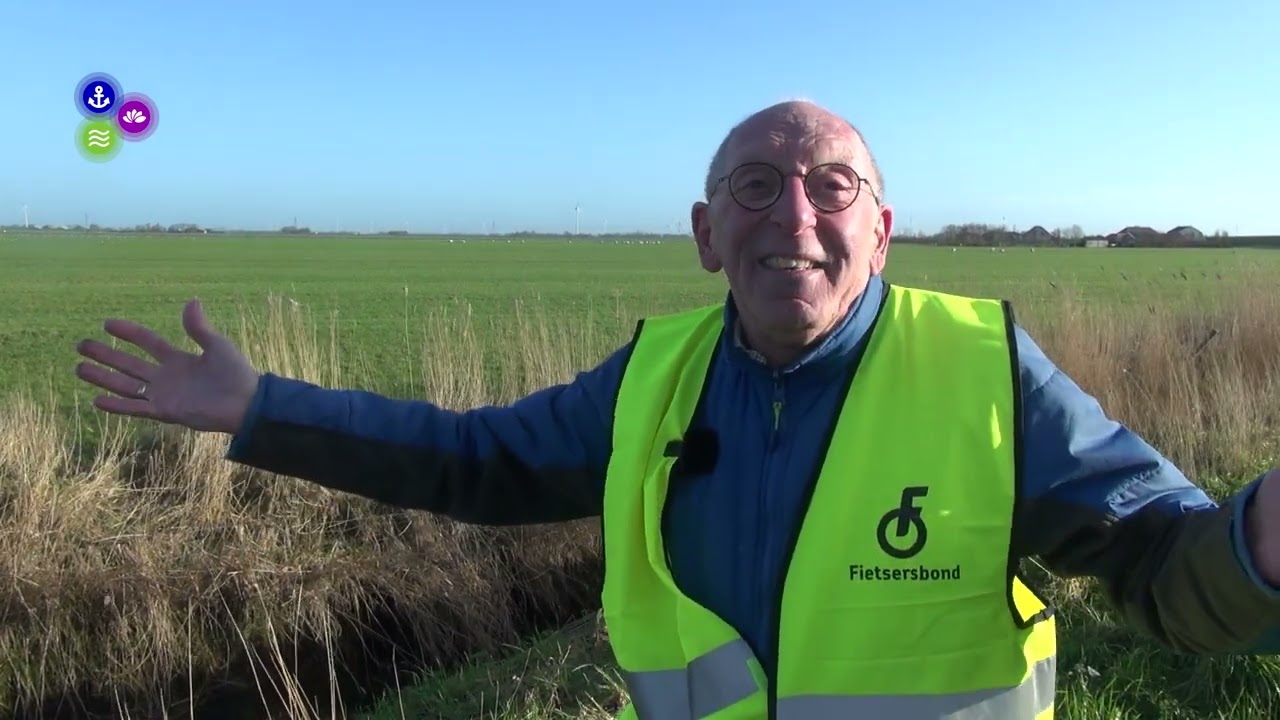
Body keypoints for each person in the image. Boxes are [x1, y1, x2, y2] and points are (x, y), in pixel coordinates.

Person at [74, 100, 1280, 720]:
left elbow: (1165, 566)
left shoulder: (986, 369)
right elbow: (473, 460)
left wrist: (1258, 542)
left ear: (880, 231)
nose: (793, 215)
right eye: (755, 187)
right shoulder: (652, 376)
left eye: (831, 188)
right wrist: (262, 407)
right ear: (706, 234)